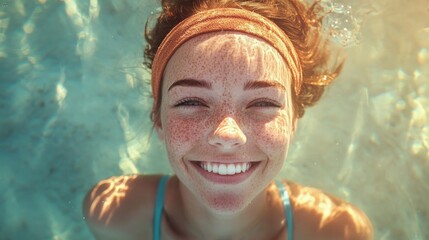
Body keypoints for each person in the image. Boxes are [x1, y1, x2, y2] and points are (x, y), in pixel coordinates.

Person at [83, 0, 374, 239]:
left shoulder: (337, 230)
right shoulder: (113, 215)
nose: (227, 133)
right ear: (158, 119)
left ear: (294, 121)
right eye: (191, 101)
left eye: (262, 102)